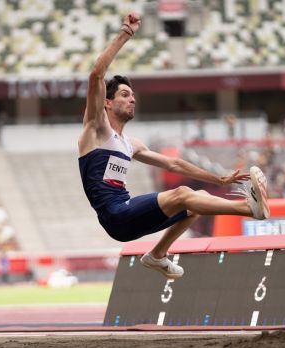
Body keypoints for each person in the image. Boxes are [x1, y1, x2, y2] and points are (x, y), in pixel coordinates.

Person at [78, 13, 270, 280]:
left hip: (126, 212)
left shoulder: (130, 144)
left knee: (196, 201)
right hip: (115, 216)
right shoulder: (95, 129)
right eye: (124, 94)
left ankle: (157, 255)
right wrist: (126, 33)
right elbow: (96, 74)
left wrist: (219, 178)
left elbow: (175, 163)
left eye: (133, 95)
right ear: (107, 103)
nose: (132, 99)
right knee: (181, 193)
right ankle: (250, 210)